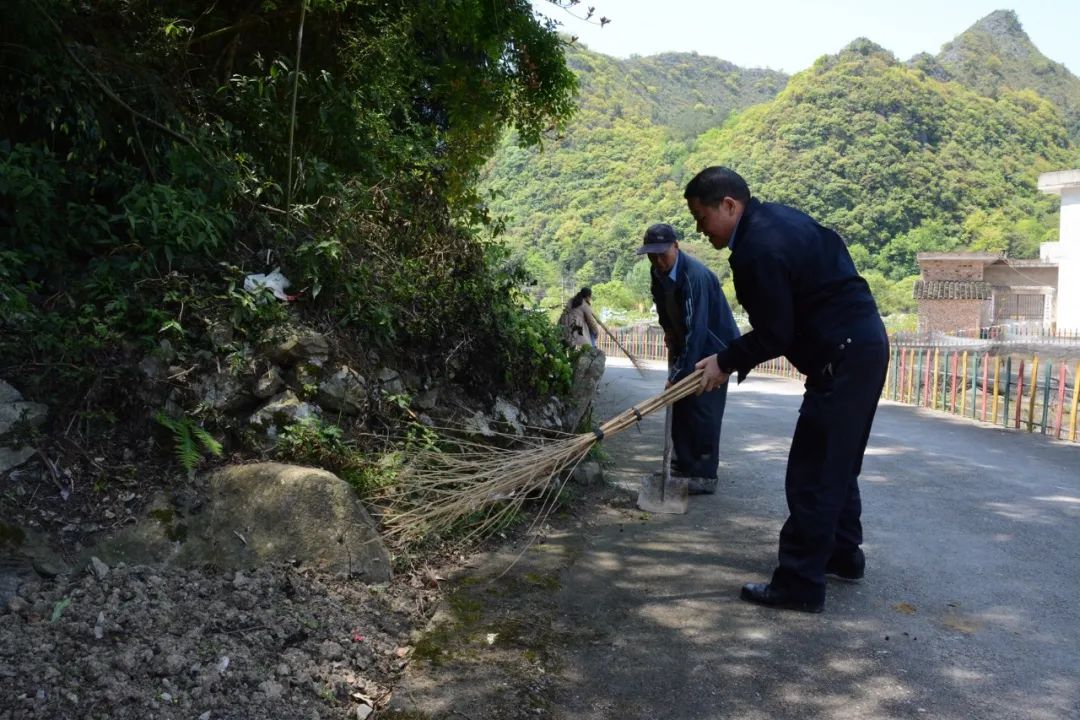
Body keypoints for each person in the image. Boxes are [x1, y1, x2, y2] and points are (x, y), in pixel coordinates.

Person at [684, 166, 889, 613]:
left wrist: (724, 360)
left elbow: (775, 332)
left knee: (812, 470)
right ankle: (842, 555)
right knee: (837, 461)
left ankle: (799, 582)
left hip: (844, 353)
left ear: (729, 205)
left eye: (702, 218)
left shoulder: (757, 248)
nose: (701, 230)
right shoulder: (780, 220)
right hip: (863, 346)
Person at [638, 223, 740, 494]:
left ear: (676, 246)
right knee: (681, 405)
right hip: (687, 342)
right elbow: (661, 304)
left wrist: (676, 376)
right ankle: (683, 465)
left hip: (713, 346)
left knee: (703, 407)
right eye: (652, 255)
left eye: (663, 254)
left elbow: (696, 329)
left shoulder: (693, 275)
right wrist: (669, 332)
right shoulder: (656, 272)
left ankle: (704, 476)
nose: (658, 260)